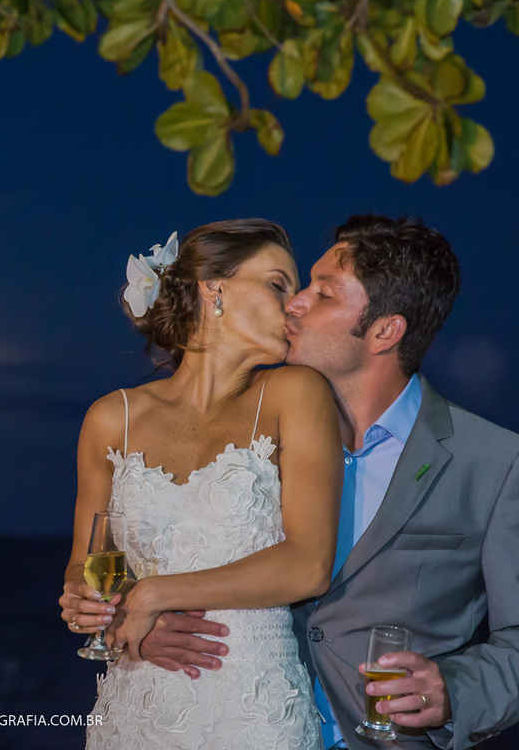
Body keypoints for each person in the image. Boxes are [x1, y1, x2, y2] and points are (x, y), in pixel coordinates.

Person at [139, 215, 519, 749]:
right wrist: (148, 630)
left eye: (322, 294)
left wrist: (453, 691)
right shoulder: (248, 438)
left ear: (384, 331)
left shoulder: (495, 462)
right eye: (301, 286)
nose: (295, 304)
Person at [59, 219, 343, 749]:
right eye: (279, 284)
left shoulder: (296, 395)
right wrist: (103, 606)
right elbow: (85, 563)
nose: (297, 304)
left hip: (253, 710)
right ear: (214, 289)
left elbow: (308, 566)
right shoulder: (110, 418)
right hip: (134, 706)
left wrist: (154, 596)